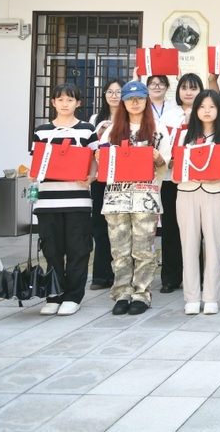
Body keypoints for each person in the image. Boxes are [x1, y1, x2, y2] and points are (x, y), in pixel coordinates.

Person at [100, 81, 171, 316]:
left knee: (143, 248)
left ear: (146, 100)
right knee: (119, 249)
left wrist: (158, 158)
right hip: (116, 197)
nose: (135, 103)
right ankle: (121, 293)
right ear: (123, 102)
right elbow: (102, 161)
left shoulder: (158, 128)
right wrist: (101, 157)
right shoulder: (112, 129)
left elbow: (166, 163)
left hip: (145, 196)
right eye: (130, 99)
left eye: (139, 98)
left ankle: (142, 293)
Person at [32, 83, 99, 316]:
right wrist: (32, 174)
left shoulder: (87, 130)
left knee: (78, 249)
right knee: (52, 250)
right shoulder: (41, 131)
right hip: (47, 201)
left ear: (78, 103)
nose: (64, 104)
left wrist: (92, 177)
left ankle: (73, 297)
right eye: (60, 99)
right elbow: (36, 162)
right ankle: (54, 295)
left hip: (78, 200)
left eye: (70, 100)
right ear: (53, 102)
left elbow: (96, 160)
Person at [176, 89, 220, 315]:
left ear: (219, 110)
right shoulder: (183, 135)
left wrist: (216, 176)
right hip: (186, 192)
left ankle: (211, 297)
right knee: (188, 245)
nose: (206, 111)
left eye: (212, 106)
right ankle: (191, 297)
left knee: (215, 246)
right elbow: (175, 168)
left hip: (216, 193)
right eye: (201, 106)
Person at [157, 72, 204, 294]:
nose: (188, 92)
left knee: (196, 230)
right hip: (170, 178)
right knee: (170, 228)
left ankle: (196, 277)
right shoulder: (168, 115)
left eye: (193, 88)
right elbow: (160, 143)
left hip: (195, 179)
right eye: (184, 88)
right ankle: (170, 277)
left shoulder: (205, 112)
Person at [89, 78, 124, 291]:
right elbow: (90, 149)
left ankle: (120, 275)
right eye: (110, 92)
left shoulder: (129, 118)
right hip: (100, 177)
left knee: (120, 226)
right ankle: (101, 275)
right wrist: (99, 133)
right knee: (100, 225)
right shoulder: (95, 118)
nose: (114, 96)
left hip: (122, 177)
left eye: (118, 92)